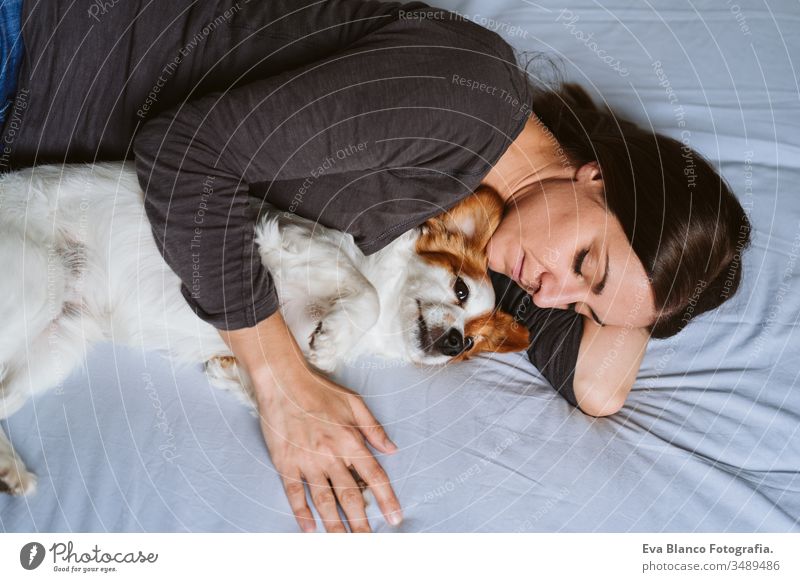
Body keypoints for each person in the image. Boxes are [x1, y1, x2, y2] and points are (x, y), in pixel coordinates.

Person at [0, 0, 749, 533]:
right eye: (587, 262)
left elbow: (597, 389)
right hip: (33, 48)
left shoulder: (506, 243)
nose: (555, 291)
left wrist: (641, 292)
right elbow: (182, 160)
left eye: (580, 305)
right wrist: (283, 383)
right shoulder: (465, 99)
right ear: (596, 177)